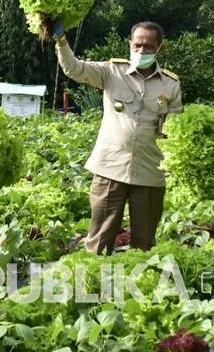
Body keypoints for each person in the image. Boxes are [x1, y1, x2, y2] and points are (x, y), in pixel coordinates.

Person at [54, 20, 182, 253]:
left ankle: (138, 285)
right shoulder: (112, 71)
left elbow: (177, 129)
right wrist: (61, 41)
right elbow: (74, 68)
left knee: (144, 245)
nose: (142, 51)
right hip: (110, 167)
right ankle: (94, 283)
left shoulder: (171, 85)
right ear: (130, 44)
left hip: (150, 171)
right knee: (99, 240)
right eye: (138, 45)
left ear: (159, 49)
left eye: (149, 47)